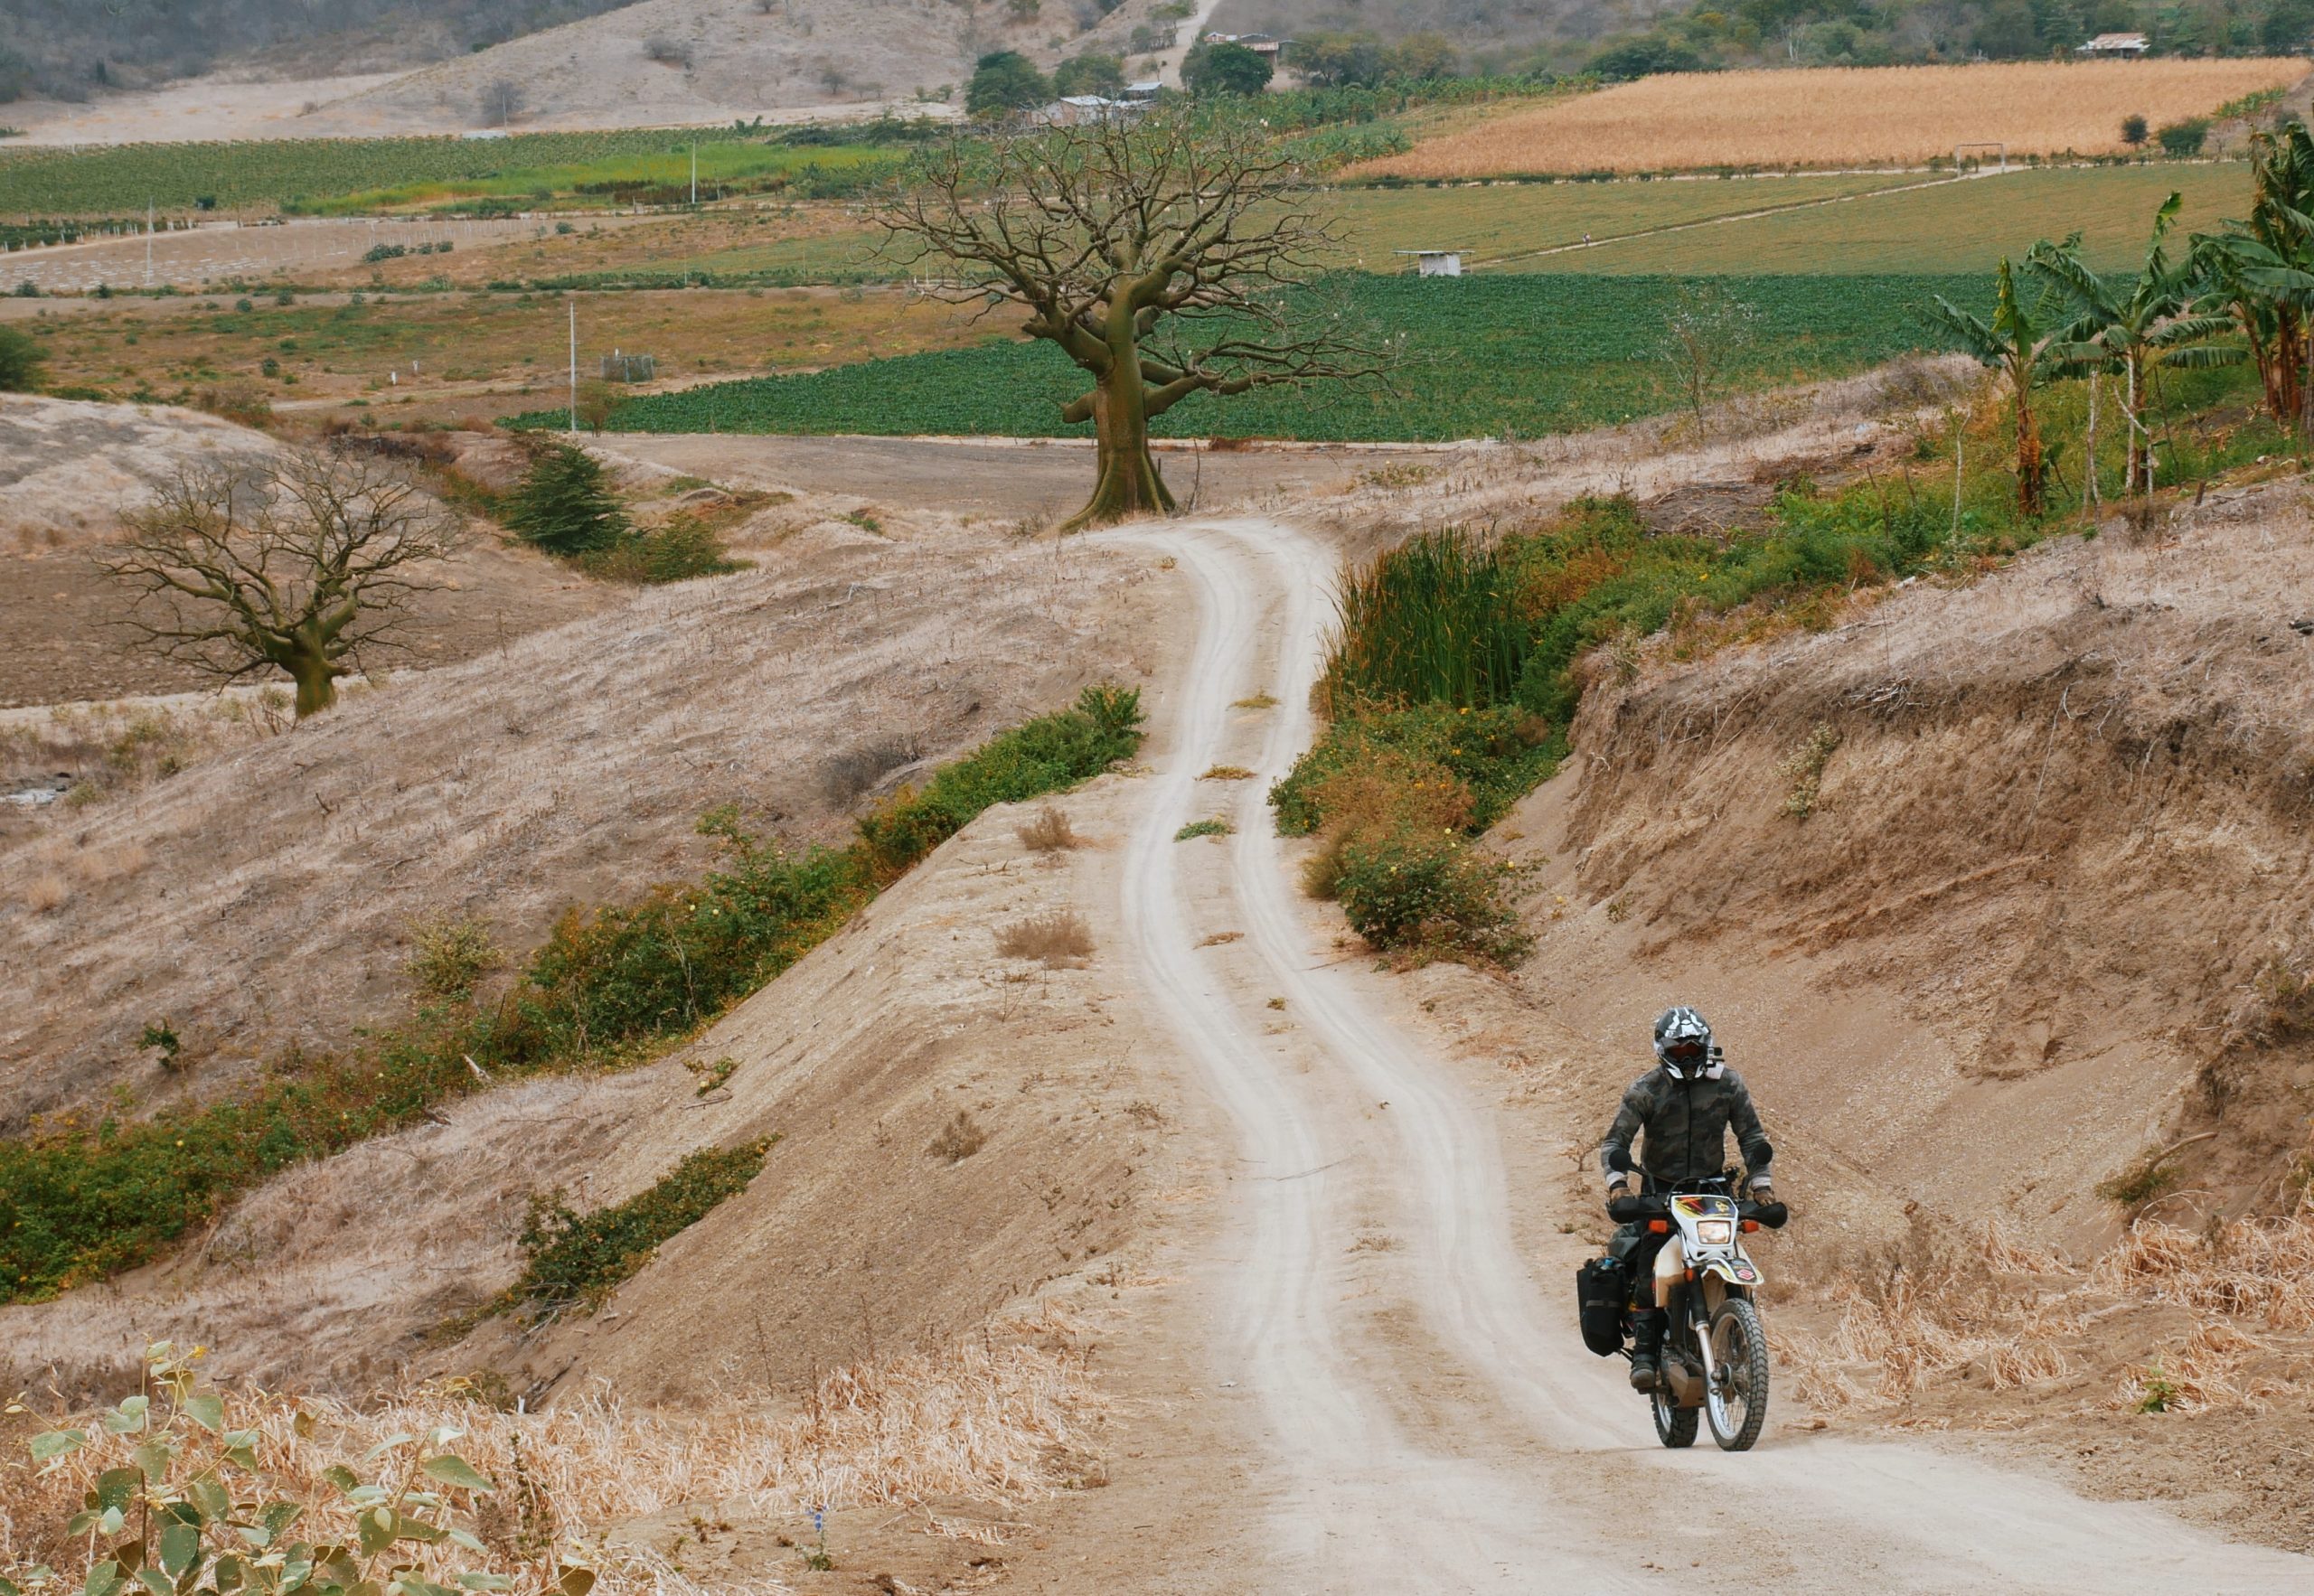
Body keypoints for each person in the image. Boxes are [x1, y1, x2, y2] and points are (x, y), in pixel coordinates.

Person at [1599, 1006, 1784, 1390]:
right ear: (1663, 1049)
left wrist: (1762, 1187)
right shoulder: (1646, 1089)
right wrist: (1619, 1187)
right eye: (1679, 1050)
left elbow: (1753, 1139)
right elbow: (1615, 1143)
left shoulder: (1728, 1084)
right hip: (1660, 1192)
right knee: (1651, 1262)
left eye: (1693, 1049)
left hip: (1713, 1191)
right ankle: (1647, 1355)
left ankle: (1741, 1336)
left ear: (1706, 1046)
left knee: (1732, 1252)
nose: (1687, 1056)